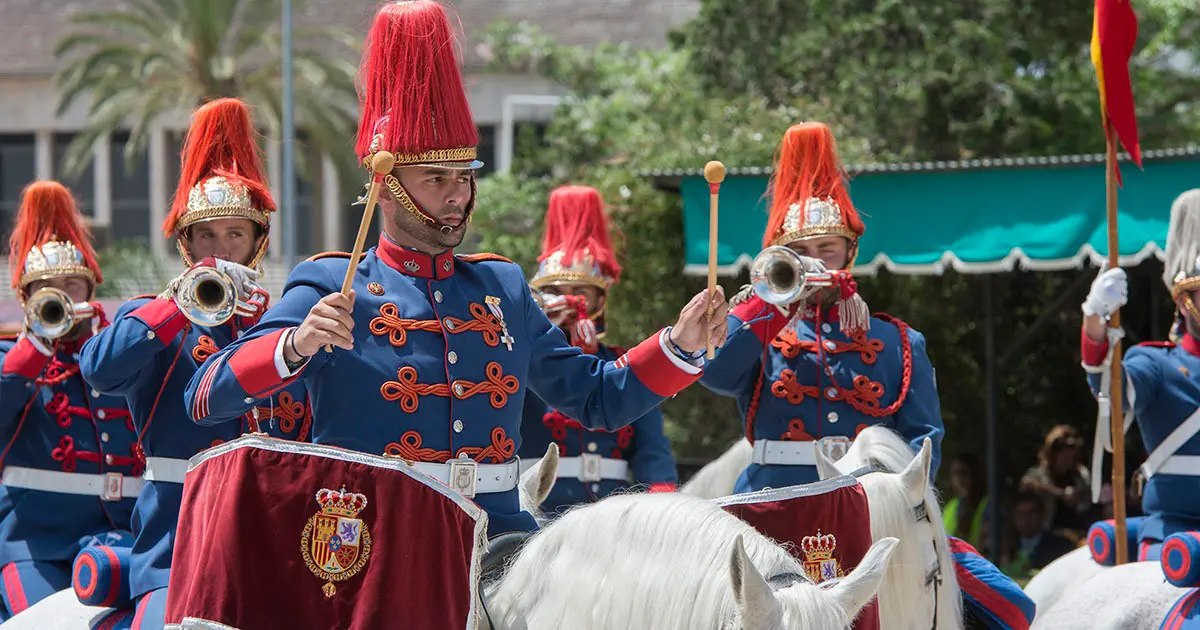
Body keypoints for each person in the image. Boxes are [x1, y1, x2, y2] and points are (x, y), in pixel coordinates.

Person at [181, 0, 727, 538]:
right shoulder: (329, 282)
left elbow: (597, 399)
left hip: (496, 539)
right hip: (376, 538)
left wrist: (679, 346)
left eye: (463, 178)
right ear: (387, 188)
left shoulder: (502, 286)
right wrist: (294, 345)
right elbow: (205, 396)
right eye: (435, 179)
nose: (455, 195)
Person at [79, 98, 311, 629]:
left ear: (258, 242)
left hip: (271, 546)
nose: (221, 249)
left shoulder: (279, 329)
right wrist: (175, 306)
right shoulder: (154, 319)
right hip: (176, 546)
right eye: (207, 235)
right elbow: (99, 370)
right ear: (187, 243)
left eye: (235, 235)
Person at [699, 121, 944, 492]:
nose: (814, 262)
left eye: (827, 250)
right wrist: (769, 304)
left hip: (866, 506)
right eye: (799, 254)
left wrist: (900, 504)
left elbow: (922, 443)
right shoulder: (758, 326)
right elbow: (714, 372)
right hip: (774, 503)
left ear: (849, 253)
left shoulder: (900, 342)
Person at [0, 181, 140, 619]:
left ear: (89, 290)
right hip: (34, 543)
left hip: (121, 536)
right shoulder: (12, 359)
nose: (62, 297)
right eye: (48, 288)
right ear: (26, 299)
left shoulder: (117, 354)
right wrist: (34, 349)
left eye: (71, 286)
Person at [519, 185, 678, 516]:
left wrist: (661, 498)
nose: (570, 301)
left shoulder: (624, 363)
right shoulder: (520, 362)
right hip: (537, 510)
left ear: (600, 300)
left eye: (580, 292)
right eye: (555, 292)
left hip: (611, 513)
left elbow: (651, 450)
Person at [1079, 188, 1200, 561]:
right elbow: (1111, 397)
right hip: (1176, 538)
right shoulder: (1156, 363)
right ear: (1184, 300)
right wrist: (1095, 319)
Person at [1019, 425, 1093, 535]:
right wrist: (1060, 493)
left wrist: (1078, 497)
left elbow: (1090, 499)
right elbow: (1026, 483)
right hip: (1048, 533)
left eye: (1071, 449)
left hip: (1078, 531)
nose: (1066, 456)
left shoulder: (1081, 474)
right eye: (1062, 450)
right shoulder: (1040, 474)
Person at [999, 493, 1077, 577]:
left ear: (1042, 514)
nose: (1025, 519)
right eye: (1020, 513)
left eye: (1031, 512)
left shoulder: (1060, 545)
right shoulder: (1002, 545)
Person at [944, 453, 991, 552]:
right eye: (955, 474)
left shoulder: (988, 505)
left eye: (963, 473)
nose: (959, 479)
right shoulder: (950, 507)